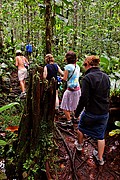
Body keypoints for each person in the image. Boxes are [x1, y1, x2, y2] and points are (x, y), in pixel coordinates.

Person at [74, 55, 110, 165]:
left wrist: (77, 113)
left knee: (81, 127)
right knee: (100, 135)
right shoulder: (106, 76)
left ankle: (79, 146)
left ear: (88, 65)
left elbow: (84, 98)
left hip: (91, 112)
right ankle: (100, 159)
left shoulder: (87, 78)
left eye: (84, 65)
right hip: (104, 112)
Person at [60, 51, 81, 126]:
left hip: (70, 89)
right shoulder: (77, 66)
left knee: (64, 105)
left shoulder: (67, 67)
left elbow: (65, 78)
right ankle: (76, 118)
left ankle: (69, 121)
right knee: (76, 104)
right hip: (77, 89)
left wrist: (61, 78)